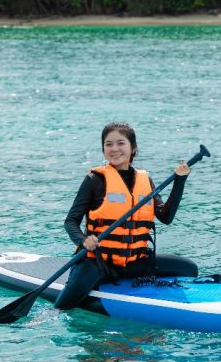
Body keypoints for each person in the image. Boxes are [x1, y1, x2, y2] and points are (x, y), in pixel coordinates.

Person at [56, 122, 198, 312]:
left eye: (120, 143)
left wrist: (179, 181)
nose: (114, 149)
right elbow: (70, 222)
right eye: (108, 144)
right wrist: (83, 240)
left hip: (135, 263)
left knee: (188, 269)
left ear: (133, 148)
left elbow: (166, 217)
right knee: (64, 305)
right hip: (99, 262)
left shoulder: (145, 180)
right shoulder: (94, 180)